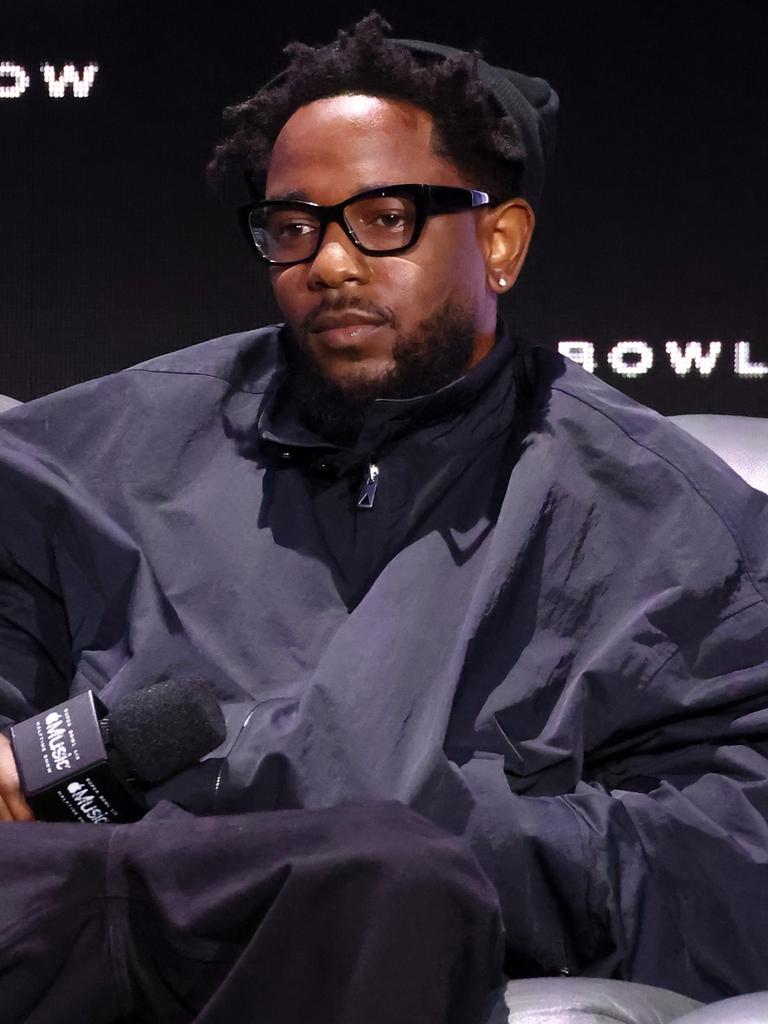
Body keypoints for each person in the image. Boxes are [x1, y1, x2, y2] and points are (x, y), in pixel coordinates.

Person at [1, 12, 768, 1019]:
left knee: (393, 873)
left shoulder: (662, 518)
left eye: (384, 217)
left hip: (372, 947)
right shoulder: (101, 449)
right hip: (79, 929)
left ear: (499, 240)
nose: (328, 262)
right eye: (294, 225)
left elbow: (732, 861)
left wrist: (444, 826)